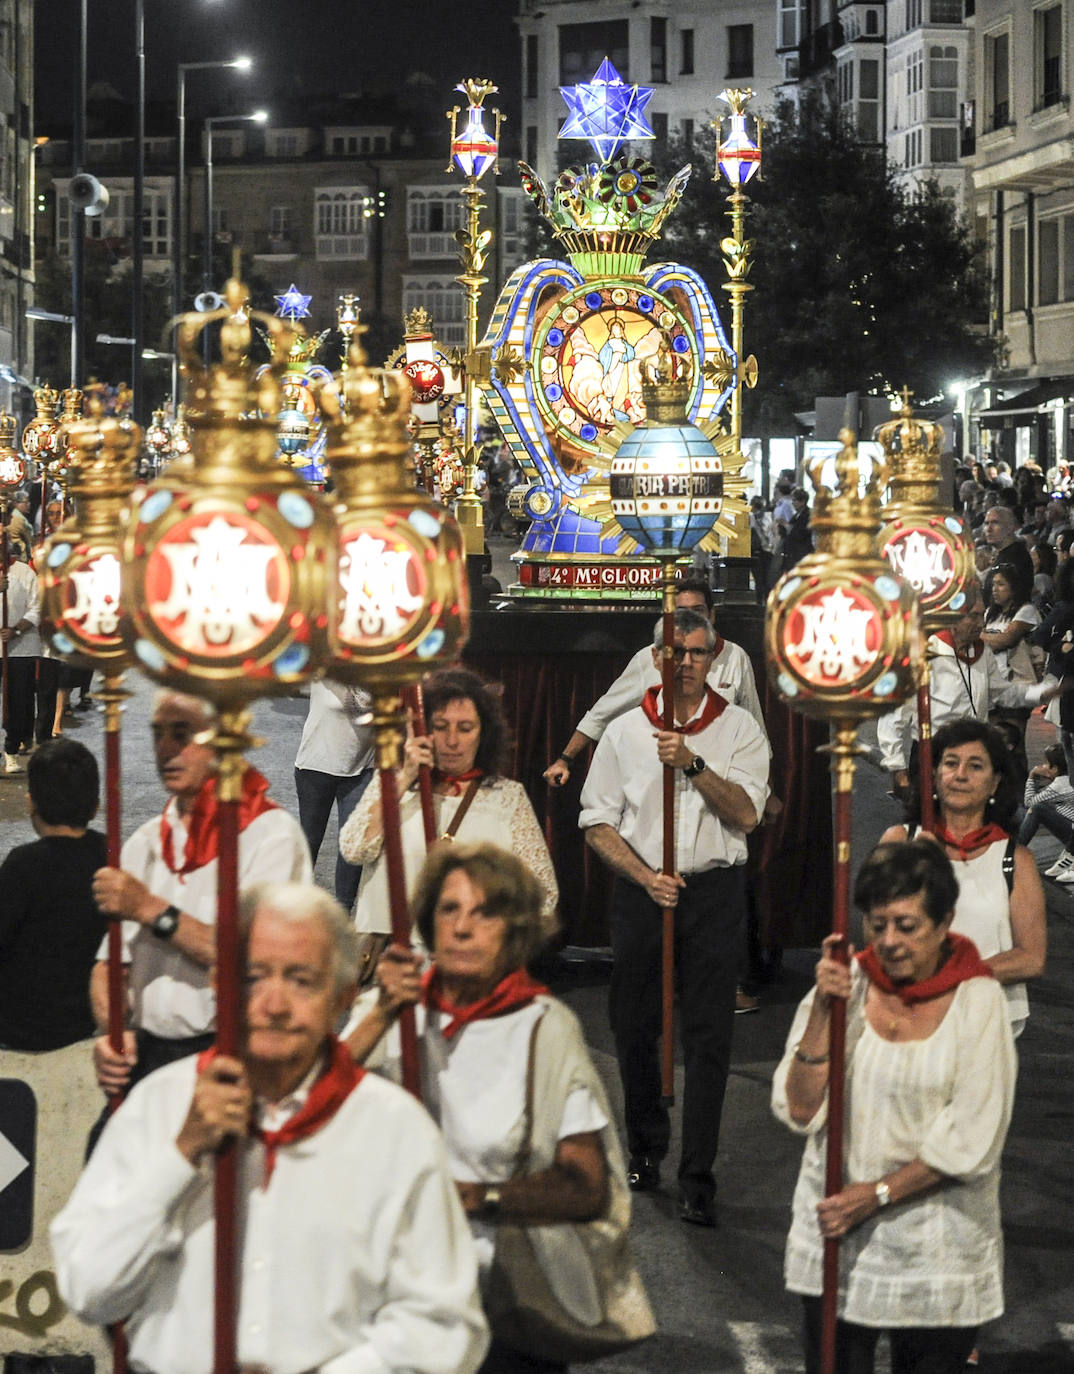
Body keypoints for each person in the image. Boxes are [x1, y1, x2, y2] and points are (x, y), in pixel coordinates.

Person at [51, 882, 490, 1374]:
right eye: (254, 977)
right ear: (220, 984)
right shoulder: (157, 1106)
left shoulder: (394, 1128)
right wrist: (180, 1155)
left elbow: (445, 1324)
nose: (275, 1004)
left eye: (301, 980)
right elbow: (88, 1291)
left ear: (341, 997)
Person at [347, 842, 646, 1374]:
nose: (463, 927)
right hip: (393, 1290)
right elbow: (304, 1104)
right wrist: (381, 1016)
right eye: (450, 909)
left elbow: (585, 1187)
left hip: (503, 1299)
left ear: (515, 932)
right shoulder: (391, 1011)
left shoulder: (544, 1029)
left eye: (485, 913)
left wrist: (477, 1197)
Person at [772, 839, 1017, 1374]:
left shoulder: (979, 1001)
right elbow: (798, 1108)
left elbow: (972, 1139)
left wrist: (875, 1195)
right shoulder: (845, 984)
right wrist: (822, 1013)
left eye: (906, 926)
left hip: (935, 1247)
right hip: (839, 1235)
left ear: (946, 920)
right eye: (876, 924)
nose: (888, 942)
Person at [579, 608, 770, 1226]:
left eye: (695, 652)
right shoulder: (625, 731)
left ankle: (697, 1175)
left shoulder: (740, 729)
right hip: (644, 894)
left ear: (713, 657)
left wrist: (690, 762)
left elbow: (745, 814)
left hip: (714, 895)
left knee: (709, 1036)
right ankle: (645, 1149)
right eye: (673, 651)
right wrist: (642, 876)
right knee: (633, 1027)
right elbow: (597, 820)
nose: (684, 662)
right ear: (656, 657)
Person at [90, 690, 312, 1098]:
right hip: (148, 1057)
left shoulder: (271, 837)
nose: (165, 749)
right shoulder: (145, 842)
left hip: (233, 1057)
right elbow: (109, 965)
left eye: (182, 734)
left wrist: (151, 909)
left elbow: (257, 959)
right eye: (158, 734)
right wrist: (112, 1032)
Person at [339, 668, 558, 971]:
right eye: (441, 727)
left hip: (469, 967)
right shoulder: (390, 784)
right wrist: (403, 781)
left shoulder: (508, 798)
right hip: (394, 962)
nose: (452, 740)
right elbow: (353, 849)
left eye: (466, 728)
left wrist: (483, 936)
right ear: (423, 730)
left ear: (484, 734)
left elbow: (543, 894)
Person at [879, 719, 1045, 1036]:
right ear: (934, 775)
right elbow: (876, 934)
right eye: (950, 763)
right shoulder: (900, 842)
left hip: (986, 1027)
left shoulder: (1015, 860)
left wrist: (953, 976)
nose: (960, 775)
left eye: (976, 766)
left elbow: (1032, 958)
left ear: (995, 782)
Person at [543, 575, 767, 788]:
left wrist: (766, 790)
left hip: (720, 782)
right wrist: (565, 759)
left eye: (698, 612)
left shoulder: (736, 657)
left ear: (712, 615)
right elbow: (601, 715)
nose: (691, 621)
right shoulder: (650, 658)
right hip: (660, 782)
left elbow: (755, 727)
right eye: (681, 613)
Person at [876, 585, 1057, 798]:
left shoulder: (982, 652)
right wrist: (897, 767)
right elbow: (893, 714)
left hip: (974, 756)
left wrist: (1040, 693)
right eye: (973, 616)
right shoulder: (924, 654)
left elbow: (1001, 692)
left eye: (982, 615)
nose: (981, 623)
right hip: (934, 757)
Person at [0, 738, 107, 1050]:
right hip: (88, 1017)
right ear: (95, 806)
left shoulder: (24, 864)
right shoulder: (111, 853)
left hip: (20, 1027)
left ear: (31, 802)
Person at [293, 677, 374, 910]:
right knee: (309, 840)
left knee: (352, 845)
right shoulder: (327, 672)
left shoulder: (381, 678)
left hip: (360, 769)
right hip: (315, 768)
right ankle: (297, 908)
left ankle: (343, 913)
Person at [0, 534, 42, 772]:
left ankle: (12, 749)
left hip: (20, 647)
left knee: (18, 701)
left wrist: (16, 630)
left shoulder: (25, 572)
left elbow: (37, 606)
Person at [1019, 742, 1074, 881]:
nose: (1042, 766)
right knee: (1045, 807)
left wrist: (1031, 777)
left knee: (1037, 809)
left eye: (1045, 763)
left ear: (1054, 768)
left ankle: (1015, 850)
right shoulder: (1067, 781)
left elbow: (1029, 802)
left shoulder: (1059, 785)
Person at [981, 503, 1034, 591]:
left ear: (1010, 527)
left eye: (995, 523)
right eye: (986, 523)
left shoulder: (1016, 558)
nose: (989, 529)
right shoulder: (1004, 555)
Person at [779, 487, 813, 571]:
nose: (793, 503)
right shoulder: (796, 516)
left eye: (795, 500)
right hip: (791, 553)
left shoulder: (807, 515)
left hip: (801, 553)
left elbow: (799, 533)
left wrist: (786, 525)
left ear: (802, 502)